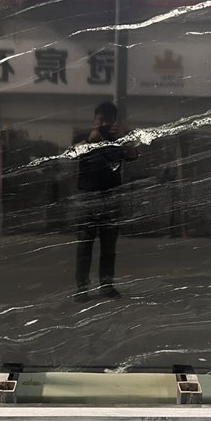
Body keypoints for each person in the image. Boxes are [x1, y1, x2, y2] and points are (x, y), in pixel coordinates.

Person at [72, 101, 138, 303]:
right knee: (85, 246)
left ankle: (107, 287)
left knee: (109, 246)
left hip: (111, 198)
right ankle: (82, 289)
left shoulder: (119, 140)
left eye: (107, 121)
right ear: (94, 120)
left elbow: (133, 155)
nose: (103, 124)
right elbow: (72, 154)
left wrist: (124, 138)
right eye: (100, 120)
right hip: (88, 198)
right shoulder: (84, 137)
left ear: (114, 121)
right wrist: (90, 140)